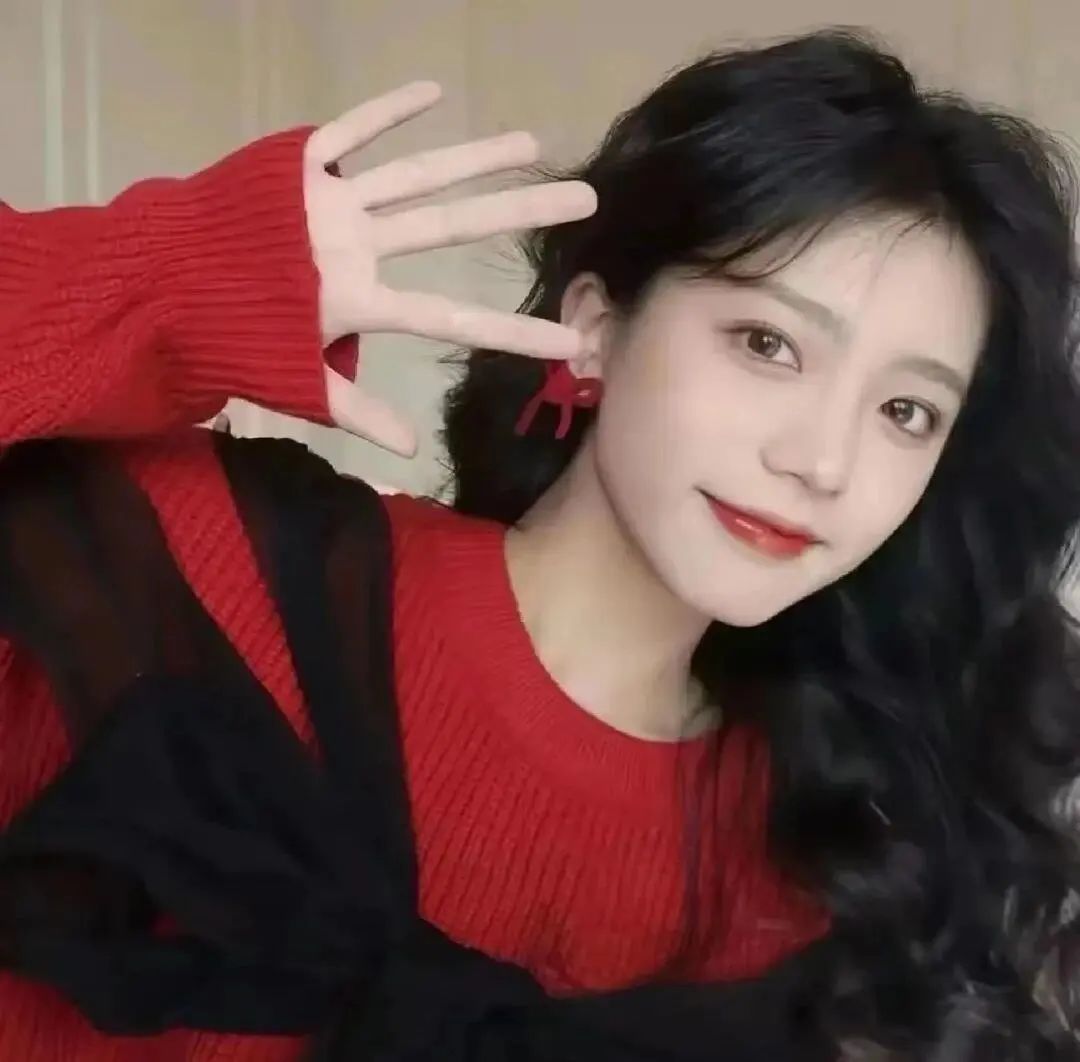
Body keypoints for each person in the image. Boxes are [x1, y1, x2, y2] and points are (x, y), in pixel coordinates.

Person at [0, 26, 1079, 1061]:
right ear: (597, 327)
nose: (823, 461)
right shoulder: (215, 569)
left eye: (906, 412)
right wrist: (178, 276)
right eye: (768, 343)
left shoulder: (834, 862)